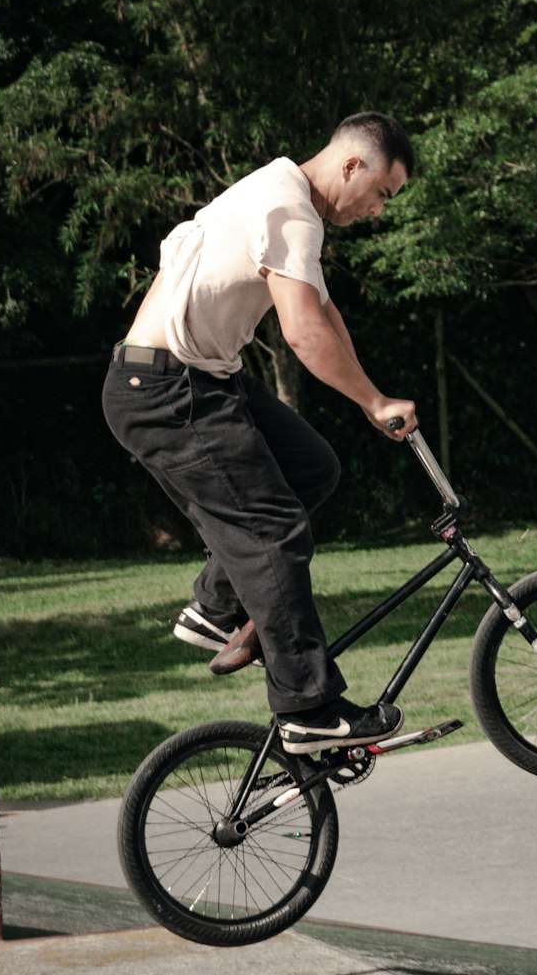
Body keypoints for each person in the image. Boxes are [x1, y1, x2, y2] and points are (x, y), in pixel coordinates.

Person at [102, 112, 417, 754]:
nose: (379, 211)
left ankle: (216, 606)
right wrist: (374, 400)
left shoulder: (276, 188)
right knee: (273, 531)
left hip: (195, 379)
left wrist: (368, 398)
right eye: (384, 193)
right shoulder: (289, 210)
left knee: (312, 468)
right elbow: (301, 333)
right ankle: (309, 707)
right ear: (351, 166)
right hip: (167, 390)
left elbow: (323, 314)